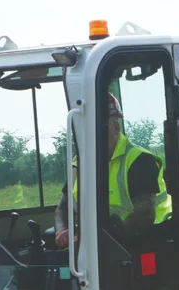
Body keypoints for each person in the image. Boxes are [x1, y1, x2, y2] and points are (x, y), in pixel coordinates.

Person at [54, 88, 170, 247]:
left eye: (97, 128)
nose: (91, 135)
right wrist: (62, 231)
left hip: (149, 241)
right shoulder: (79, 163)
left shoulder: (140, 160)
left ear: (116, 128)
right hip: (100, 245)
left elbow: (144, 215)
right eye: (86, 129)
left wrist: (96, 239)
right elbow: (62, 209)